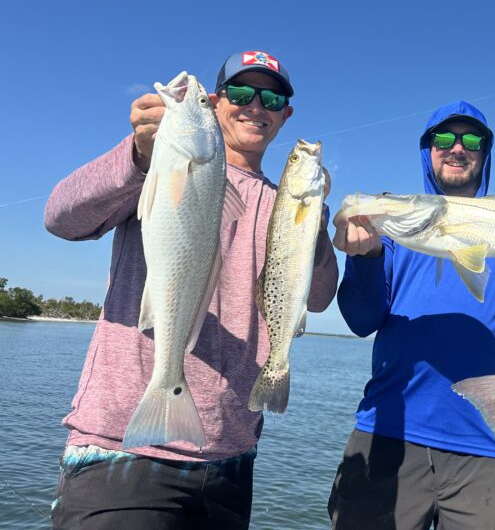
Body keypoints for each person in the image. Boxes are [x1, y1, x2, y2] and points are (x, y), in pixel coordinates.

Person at [44, 50, 339, 529]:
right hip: (121, 450)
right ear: (219, 102)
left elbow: (320, 298)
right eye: (241, 94)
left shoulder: (284, 202)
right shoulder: (154, 165)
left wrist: (313, 224)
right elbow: (61, 218)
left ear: (286, 114)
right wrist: (137, 155)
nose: (255, 107)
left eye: (272, 97)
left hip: (230, 457)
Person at [328, 100, 495, 529]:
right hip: (389, 429)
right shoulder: (395, 230)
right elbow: (360, 320)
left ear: (485, 152)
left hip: (488, 443)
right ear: (427, 150)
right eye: (443, 139)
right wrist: (366, 257)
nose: (457, 148)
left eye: (471, 140)